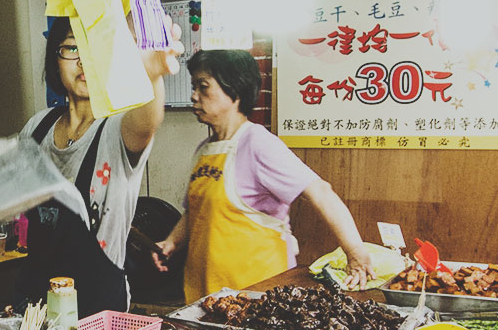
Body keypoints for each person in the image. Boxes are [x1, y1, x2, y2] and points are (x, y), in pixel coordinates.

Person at [153, 49, 373, 303]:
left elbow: (320, 192)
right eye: (194, 87)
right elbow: (195, 211)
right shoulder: (204, 150)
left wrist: (354, 251)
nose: (194, 96)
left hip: (257, 295)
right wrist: (171, 242)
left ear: (234, 91)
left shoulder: (257, 142)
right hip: (208, 293)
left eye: (203, 87)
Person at [18, 15, 180, 317]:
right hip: (36, 301)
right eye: (71, 48)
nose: (84, 61)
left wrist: (151, 76)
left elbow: (147, 123)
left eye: (97, 49)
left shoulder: (118, 128)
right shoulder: (36, 128)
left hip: (98, 309)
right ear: (56, 59)